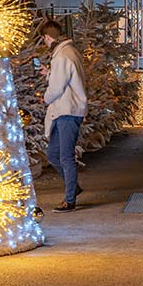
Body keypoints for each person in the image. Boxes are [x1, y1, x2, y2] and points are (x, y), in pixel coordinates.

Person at [39, 19, 88, 213]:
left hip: (68, 110)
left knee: (65, 156)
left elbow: (57, 88)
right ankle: (72, 187)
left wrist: (45, 97)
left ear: (48, 37)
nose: (44, 43)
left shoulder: (61, 57)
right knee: (53, 154)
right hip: (65, 111)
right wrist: (49, 73)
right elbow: (65, 78)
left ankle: (70, 200)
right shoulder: (68, 53)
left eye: (43, 39)